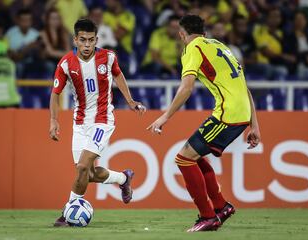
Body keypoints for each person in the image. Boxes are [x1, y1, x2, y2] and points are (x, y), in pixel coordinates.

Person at [147, 15, 260, 232]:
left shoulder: (193, 48)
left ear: (182, 34)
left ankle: (208, 216)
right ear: (204, 31)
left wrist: (165, 117)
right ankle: (221, 207)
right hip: (240, 112)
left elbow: (186, 88)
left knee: (183, 159)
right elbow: (244, 87)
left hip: (228, 114)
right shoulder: (220, 45)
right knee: (193, 157)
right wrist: (254, 125)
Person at [49, 19, 146, 227]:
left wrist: (130, 101)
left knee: (83, 166)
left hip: (103, 120)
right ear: (75, 40)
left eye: (91, 40)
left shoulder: (108, 57)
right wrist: (54, 120)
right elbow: (55, 93)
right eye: (82, 40)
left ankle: (68, 212)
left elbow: (118, 75)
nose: (86, 45)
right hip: (80, 122)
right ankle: (123, 178)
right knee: (88, 174)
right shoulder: (66, 63)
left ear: (96, 40)